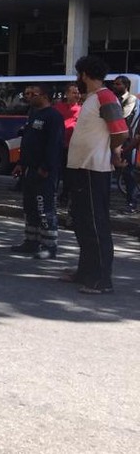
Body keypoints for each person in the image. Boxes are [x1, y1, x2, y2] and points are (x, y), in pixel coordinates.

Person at [62, 56, 128, 295]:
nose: (77, 79)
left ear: (85, 74)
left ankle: (102, 279)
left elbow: (120, 130)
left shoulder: (104, 96)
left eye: (79, 74)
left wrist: (114, 150)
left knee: (95, 224)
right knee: (82, 222)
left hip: (93, 169)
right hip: (81, 168)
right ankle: (85, 271)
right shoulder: (92, 98)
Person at [10, 84, 64, 260]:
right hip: (29, 170)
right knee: (30, 207)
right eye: (27, 94)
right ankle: (31, 241)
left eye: (33, 94)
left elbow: (54, 144)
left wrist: (46, 167)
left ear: (45, 96)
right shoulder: (33, 114)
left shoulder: (53, 116)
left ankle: (49, 245)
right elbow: (27, 142)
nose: (29, 97)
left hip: (44, 172)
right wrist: (21, 163)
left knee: (44, 209)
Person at [110, 75, 137, 212]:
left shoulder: (130, 99)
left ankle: (132, 203)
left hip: (126, 142)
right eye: (114, 84)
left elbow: (122, 116)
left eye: (118, 84)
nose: (115, 86)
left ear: (126, 86)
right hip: (113, 139)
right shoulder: (113, 99)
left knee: (128, 173)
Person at [54, 83, 82, 206]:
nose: (76, 95)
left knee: (68, 173)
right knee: (54, 171)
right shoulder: (58, 107)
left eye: (78, 92)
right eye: (73, 92)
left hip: (72, 146)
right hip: (57, 144)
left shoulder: (82, 109)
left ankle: (65, 195)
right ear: (67, 94)